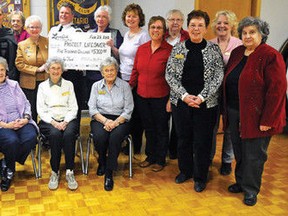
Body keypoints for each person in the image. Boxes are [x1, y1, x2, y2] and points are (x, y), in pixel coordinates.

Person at [223, 17, 286, 206]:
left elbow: (277, 90)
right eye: (244, 33)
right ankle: (241, 182)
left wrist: (268, 118)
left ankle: (251, 190)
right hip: (235, 111)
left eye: (252, 32)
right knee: (240, 151)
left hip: (258, 115)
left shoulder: (271, 55)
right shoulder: (237, 52)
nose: (248, 36)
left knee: (254, 154)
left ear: (262, 35)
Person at [165, 10, 224, 192]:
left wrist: (201, 97)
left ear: (206, 29)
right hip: (181, 104)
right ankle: (185, 171)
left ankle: (200, 177)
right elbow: (170, 74)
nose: (196, 29)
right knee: (183, 139)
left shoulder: (213, 50)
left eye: (200, 25)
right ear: (187, 27)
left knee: (202, 141)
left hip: (206, 105)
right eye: (192, 25)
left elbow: (218, 76)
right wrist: (184, 96)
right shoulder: (179, 49)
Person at [130, 16, 172, 172]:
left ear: (163, 31)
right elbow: (135, 71)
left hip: (161, 97)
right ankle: (150, 156)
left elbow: (174, 77)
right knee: (148, 128)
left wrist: (171, 99)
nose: (155, 30)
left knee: (161, 129)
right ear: (149, 29)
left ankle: (160, 159)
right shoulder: (142, 49)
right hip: (142, 96)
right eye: (153, 27)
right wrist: (128, 89)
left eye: (159, 28)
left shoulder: (170, 51)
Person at [88, 57, 133, 191]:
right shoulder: (96, 86)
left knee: (115, 137)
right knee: (100, 136)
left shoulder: (124, 86)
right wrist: (106, 121)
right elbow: (92, 109)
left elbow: (128, 108)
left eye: (112, 70)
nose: (109, 73)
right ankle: (102, 160)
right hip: (100, 118)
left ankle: (109, 172)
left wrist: (116, 122)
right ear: (102, 73)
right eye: (106, 70)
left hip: (120, 119)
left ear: (116, 70)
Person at [37, 57, 79, 191]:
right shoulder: (42, 86)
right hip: (49, 120)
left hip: (67, 118)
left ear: (62, 70)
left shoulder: (69, 84)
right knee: (55, 135)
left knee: (68, 135)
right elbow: (41, 109)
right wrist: (54, 122)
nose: (55, 71)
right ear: (48, 70)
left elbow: (74, 107)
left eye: (58, 68)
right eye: (53, 68)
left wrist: (66, 121)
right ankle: (54, 171)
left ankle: (69, 171)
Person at [210, 10, 242, 175]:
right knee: (211, 127)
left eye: (226, 23)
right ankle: (209, 157)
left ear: (232, 26)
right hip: (212, 93)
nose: (222, 26)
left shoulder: (239, 44)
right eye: (219, 23)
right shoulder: (209, 43)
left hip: (231, 93)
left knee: (230, 128)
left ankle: (227, 161)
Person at [0, 57, 38, 192]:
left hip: (20, 120)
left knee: (31, 137)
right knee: (12, 141)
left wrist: (26, 118)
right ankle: (10, 171)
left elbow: (26, 103)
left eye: (2, 70)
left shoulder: (14, 85)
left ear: (6, 71)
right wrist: (7, 125)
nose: (0, 73)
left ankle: (6, 162)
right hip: (3, 125)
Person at [119, 3, 150, 155]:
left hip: (136, 80)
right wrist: (113, 48)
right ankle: (128, 143)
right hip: (123, 78)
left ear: (140, 18)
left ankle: (136, 146)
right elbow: (124, 55)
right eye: (128, 16)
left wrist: (133, 80)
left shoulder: (143, 35)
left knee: (136, 114)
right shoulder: (126, 34)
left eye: (134, 16)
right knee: (127, 112)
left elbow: (144, 59)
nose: (131, 18)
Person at [48, 2, 83, 130]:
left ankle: (73, 132)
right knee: (56, 101)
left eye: (67, 13)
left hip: (72, 72)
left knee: (73, 102)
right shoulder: (53, 30)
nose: (63, 15)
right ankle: (56, 131)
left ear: (72, 15)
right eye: (62, 12)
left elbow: (81, 52)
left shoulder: (77, 31)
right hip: (56, 73)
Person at [165, 9, 189, 159]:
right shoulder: (161, 36)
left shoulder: (187, 38)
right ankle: (163, 148)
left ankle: (174, 150)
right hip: (162, 84)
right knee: (163, 120)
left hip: (181, 85)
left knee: (179, 122)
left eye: (178, 20)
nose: (175, 23)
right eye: (172, 19)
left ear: (182, 22)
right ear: (167, 22)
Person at [86, 5, 123, 101]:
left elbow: (120, 56)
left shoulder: (115, 33)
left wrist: (112, 47)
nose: (100, 19)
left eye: (104, 17)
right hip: (91, 75)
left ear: (109, 19)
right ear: (95, 18)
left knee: (109, 101)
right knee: (93, 101)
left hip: (110, 76)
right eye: (98, 16)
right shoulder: (89, 34)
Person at [15, 15, 48, 122]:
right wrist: (36, 70)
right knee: (31, 109)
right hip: (28, 84)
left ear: (41, 28)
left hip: (46, 82)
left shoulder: (48, 42)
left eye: (37, 27)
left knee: (46, 108)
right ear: (26, 28)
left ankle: (45, 133)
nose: (34, 30)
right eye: (32, 27)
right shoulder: (22, 45)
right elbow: (19, 64)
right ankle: (34, 133)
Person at [0, 7, 19, 81]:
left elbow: (14, 54)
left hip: (8, 73)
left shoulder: (10, 32)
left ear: (3, 16)